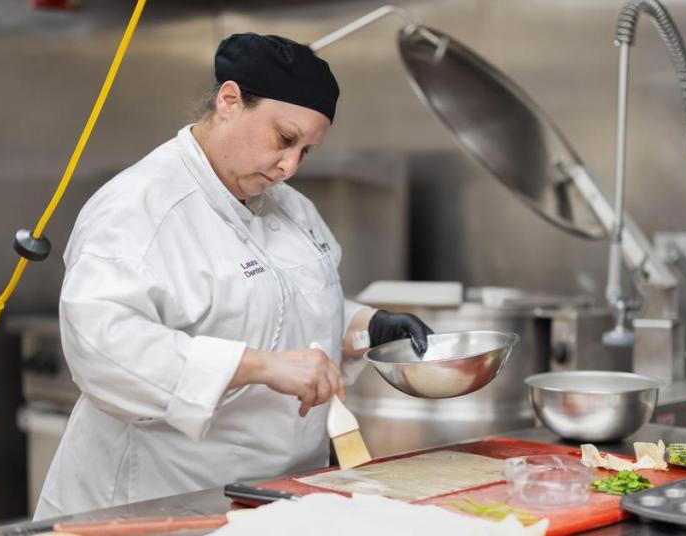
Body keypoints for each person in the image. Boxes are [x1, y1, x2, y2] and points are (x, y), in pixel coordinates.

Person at [34, 33, 433, 519]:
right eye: (284, 139)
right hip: (155, 502)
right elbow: (103, 348)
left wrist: (366, 327)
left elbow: (279, 307)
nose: (289, 166)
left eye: (306, 151)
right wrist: (259, 366)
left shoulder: (292, 209)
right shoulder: (140, 207)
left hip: (272, 499)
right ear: (229, 100)